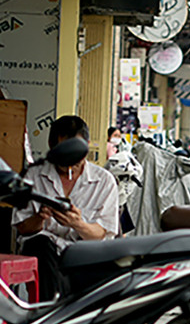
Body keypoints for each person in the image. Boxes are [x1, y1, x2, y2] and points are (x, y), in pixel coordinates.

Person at [13, 115, 119, 297]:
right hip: (44, 252)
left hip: (83, 253)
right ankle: (51, 311)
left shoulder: (104, 181)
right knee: (41, 246)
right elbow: (22, 228)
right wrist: (40, 217)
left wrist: (78, 224)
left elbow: (102, 233)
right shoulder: (33, 176)